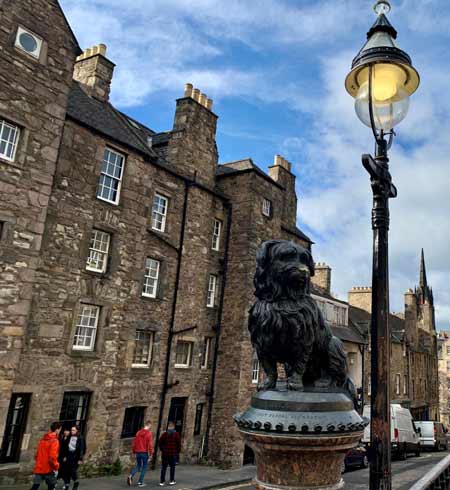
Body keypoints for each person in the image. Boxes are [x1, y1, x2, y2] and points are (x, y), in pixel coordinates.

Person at [30, 421, 61, 490]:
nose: (60, 431)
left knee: (35, 487)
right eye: (60, 429)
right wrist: (56, 466)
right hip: (49, 468)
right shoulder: (55, 441)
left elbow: (37, 455)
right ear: (57, 429)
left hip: (40, 467)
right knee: (51, 487)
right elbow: (52, 457)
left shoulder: (42, 440)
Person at [127, 421, 153, 488]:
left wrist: (134, 451)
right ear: (149, 426)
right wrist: (151, 454)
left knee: (138, 465)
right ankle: (140, 482)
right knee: (144, 467)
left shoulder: (138, 432)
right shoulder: (149, 434)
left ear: (145, 425)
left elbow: (134, 443)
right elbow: (150, 445)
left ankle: (130, 475)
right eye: (150, 426)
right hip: (144, 452)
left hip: (138, 452)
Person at [159, 422, 181, 486]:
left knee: (164, 468)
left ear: (168, 427)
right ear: (173, 427)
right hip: (172, 454)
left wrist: (163, 450)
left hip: (165, 454)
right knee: (172, 468)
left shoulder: (164, 434)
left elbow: (160, 443)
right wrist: (177, 452)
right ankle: (171, 480)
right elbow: (179, 445)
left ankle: (162, 481)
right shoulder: (176, 434)